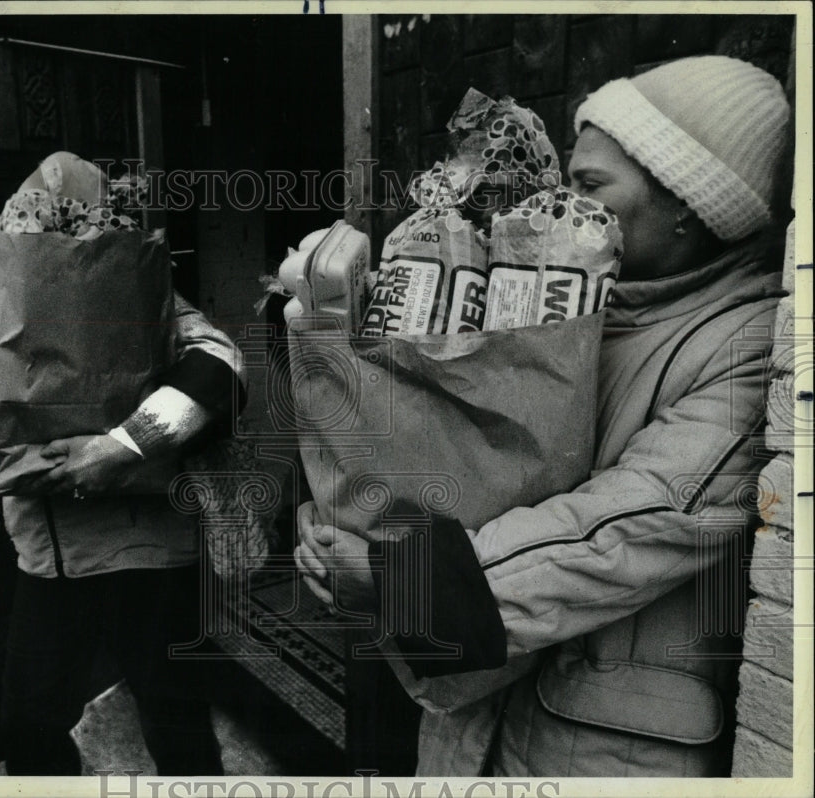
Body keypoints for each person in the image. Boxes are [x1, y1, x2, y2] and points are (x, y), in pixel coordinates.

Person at [296, 55, 791, 776]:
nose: (562, 204)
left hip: (596, 746)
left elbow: (626, 528)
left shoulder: (749, 346)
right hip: (472, 723)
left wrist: (402, 577)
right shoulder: (556, 299)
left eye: (591, 186)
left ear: (690, 202)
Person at [0, 292, 246, 775]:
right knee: (28, 725)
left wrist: (123, 447)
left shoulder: (130, 276)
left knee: (176, 722)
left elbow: (223, 367)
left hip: (149, 548)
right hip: (46, 554)